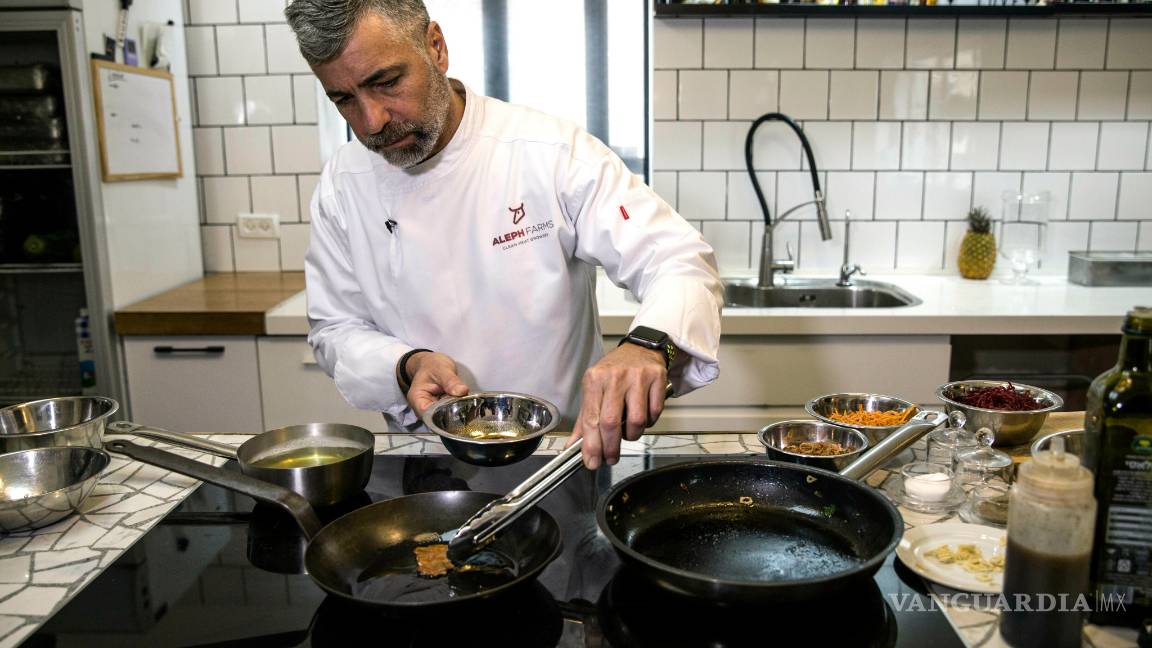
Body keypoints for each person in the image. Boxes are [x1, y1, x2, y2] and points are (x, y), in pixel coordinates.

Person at [285, 0, 723, 469]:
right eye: (344, 99)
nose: (372, 122)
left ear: (436, 47)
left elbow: (677, 261)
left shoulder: (550, 153)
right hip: (423, 461)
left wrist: (648, 346)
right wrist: (405, 363)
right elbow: (335, 328)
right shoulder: (344, 180)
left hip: (560, 459)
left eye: (387, 83)